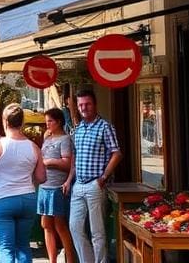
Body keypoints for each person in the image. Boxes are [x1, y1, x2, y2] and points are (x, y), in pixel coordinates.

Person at [0, 103, 46, 263]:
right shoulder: (34, 148)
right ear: (22, 123)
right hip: (27, 199)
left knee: (6, 247)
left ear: (4, 121)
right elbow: (42, 178)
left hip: (3, 199)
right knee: (23, 246)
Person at [65, 88, 122, 263]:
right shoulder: (79, 128)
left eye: (87, 104)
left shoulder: (105, 127)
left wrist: (103, 178)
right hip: (79, 185)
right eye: (81, 105)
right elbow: (75, 158)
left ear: (95, 105)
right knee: (75, 227)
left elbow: (117, 153)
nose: (84, 108)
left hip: (95, 185)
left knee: (97, 232)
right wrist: (69, 180)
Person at [38, 108, 75, 263]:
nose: (47, 124)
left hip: (57, 186)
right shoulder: (47, 137)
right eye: (46, 121)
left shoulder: (65, 140)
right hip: (44, 185)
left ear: (58, 121)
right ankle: (52, 259)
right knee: (46, 224)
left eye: (50, 121)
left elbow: (68, 164)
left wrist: (49, 162)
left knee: (60, 224)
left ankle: (71, 258)